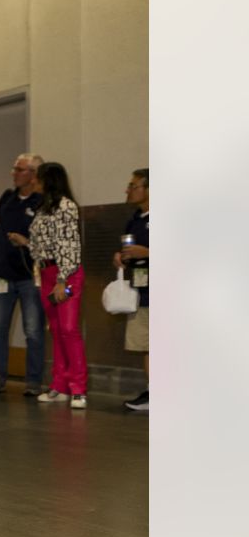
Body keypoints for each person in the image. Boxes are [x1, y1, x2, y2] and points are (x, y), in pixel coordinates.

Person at [0, 153, 45, 396]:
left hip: (30, 276)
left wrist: (26, 242)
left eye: (19, 169)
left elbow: (47, 239)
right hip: (2, 274)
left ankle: (33, 382)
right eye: (14, 168)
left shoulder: (42, 201)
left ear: (33, 175)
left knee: (33, 330)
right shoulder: (7, 197)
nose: (14, 173)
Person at [13, 162, 87, 408]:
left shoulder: (66, 206)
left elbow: (69, 246)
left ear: (49, 180)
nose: (34, 181)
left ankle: (79, 388)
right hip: (45, 272)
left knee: (69, 329)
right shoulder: (43, 208)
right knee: (55, 330)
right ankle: (60, 385)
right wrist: (25, 242)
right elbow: (43, 244)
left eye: (38, 177)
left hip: (65, 274)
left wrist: (62, 279)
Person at [114, 168, 149, 411]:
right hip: (141, 291)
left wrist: (147, 253)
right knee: (146, 344)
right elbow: (129, 250)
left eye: (133, 185)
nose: (128, 190)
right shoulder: (135, 219)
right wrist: (121, 257)